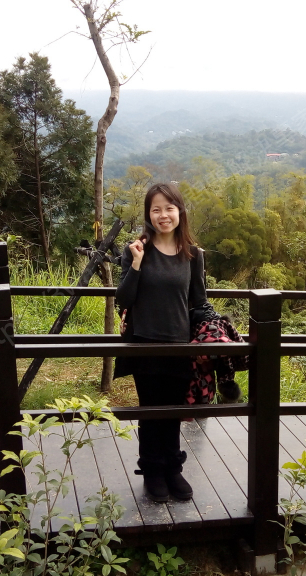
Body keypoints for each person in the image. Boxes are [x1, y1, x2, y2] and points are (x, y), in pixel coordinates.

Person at [115, 182, 207, 502]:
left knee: (172, 410)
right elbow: (123, 298)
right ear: (148, 214)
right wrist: (136, 264)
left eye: (169, 208)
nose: (163, 215)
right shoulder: (136, 250)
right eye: (156, 209)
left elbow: (199, 301)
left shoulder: (193, 255)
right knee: (152, 410)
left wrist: (216, 328)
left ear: (180, 212)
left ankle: (173, 469)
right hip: (145, 342)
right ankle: (153, 471)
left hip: (179, 344)